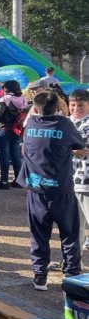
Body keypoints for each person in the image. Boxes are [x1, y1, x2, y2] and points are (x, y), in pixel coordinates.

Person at [18, 90, 87, 286]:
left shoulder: (30, 124)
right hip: (61, 190)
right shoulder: (64, 124)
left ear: (35, 107)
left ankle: (40, 276)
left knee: (38, 235)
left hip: (36, 189)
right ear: (58, 107)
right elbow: (78, 143)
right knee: (70, 234)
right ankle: (72, 275)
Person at [0, 80, 27, 190]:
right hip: (16, 130)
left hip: (3, 130)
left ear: (7, 89)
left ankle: (4, 182)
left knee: (3, 156)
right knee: (15, 155)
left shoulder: (4, 100)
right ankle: (18, 181)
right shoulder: (22, 99)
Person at [70, 89, 89, 250]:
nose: (76, 109)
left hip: (86, 180)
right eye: (73, 105)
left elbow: (83, 148)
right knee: (75, 223)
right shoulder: (67, 122)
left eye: (81, 105)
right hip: (71, 180)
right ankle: (74, 260)